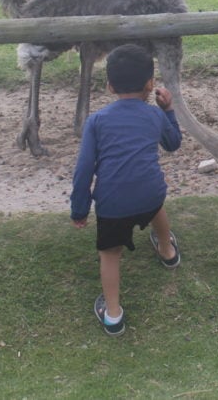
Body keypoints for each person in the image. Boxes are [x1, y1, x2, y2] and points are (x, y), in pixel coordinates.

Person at [71, 44, 183, 336]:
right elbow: (173, 144)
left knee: (110, 253)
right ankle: (168, 251)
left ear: (109, 86)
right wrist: (168, 111)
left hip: (113, 205)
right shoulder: (155, 115)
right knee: (155, 203)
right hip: (151, 196)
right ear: (150, 84)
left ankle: (113, 314)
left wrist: (79, 209)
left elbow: (83, 171)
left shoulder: (96, 121)